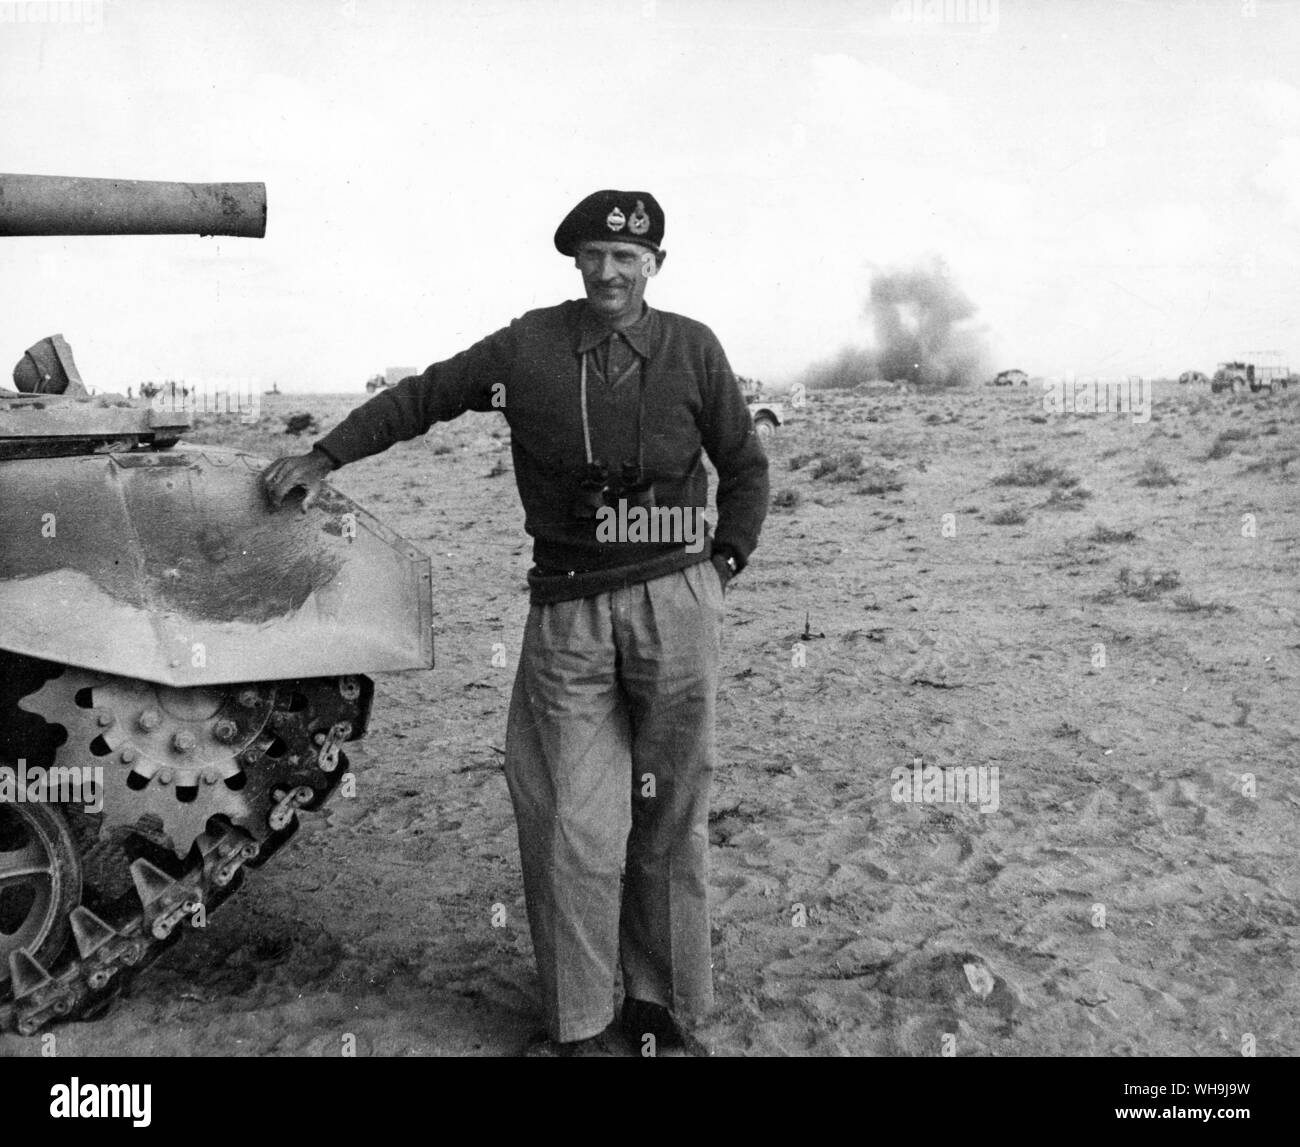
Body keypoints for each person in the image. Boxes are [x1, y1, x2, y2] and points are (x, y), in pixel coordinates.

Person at [261, 189, 769, 1056]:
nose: (610, 271)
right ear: (576, 262)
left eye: (628, 257)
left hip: (677, 602)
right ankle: (581, 1019)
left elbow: (744, 464)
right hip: (567, 608)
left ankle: (662, 1004)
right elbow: (426, 394)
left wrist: (723, 566)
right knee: (566, 812)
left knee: (671, 808)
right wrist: (326, 453)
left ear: (656, 265)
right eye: (595, 256)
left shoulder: (693, 348)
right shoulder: (528, 345)